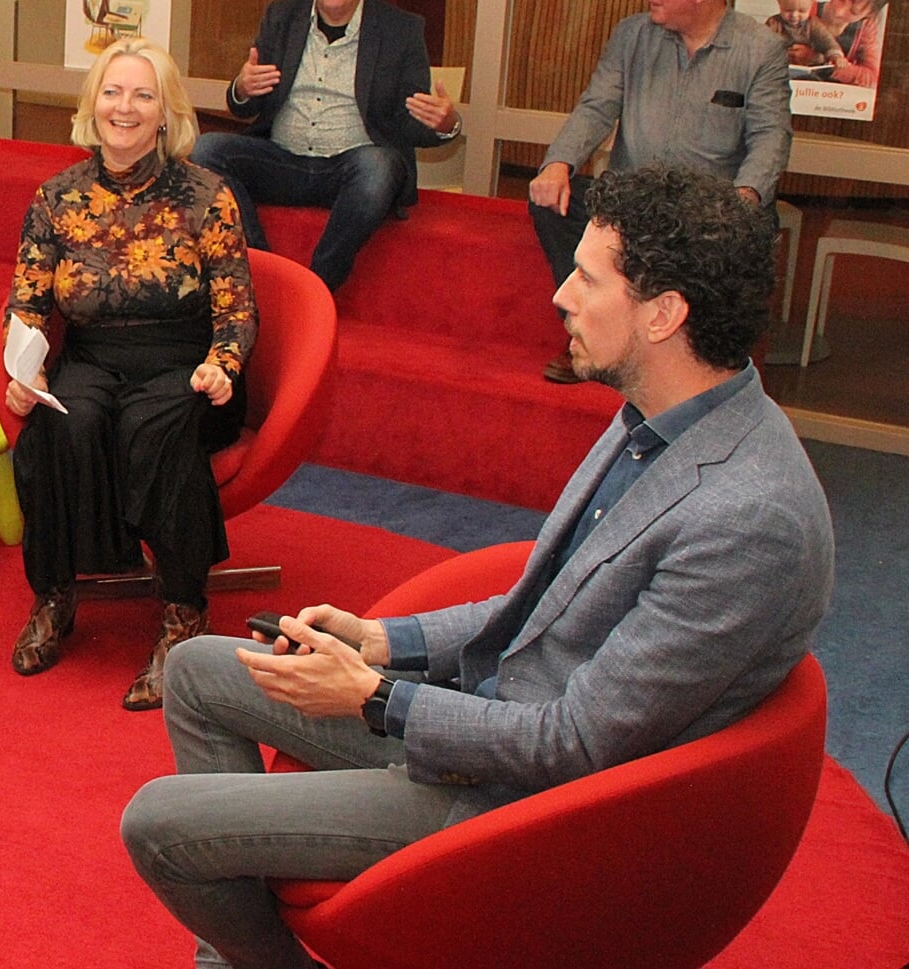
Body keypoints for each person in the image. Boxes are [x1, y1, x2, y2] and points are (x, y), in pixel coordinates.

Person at [121, 164, 833, 969]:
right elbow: (548, 605)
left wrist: (374, 696)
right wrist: (379, 640)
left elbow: (574, 745)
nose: (560, 294)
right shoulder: (660, 415)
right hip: (486, 721)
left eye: (587, 279)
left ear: (664, 314)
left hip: (523, 803)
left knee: (157, 820)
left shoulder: (747, 516)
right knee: (195, 671)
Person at [3, 36, 258, 711]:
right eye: (112, 92)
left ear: (164, 111)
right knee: (67, 421)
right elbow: (27, 305)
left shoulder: (208, 195)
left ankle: (182, 612)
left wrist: (222, 364)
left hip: (187, 365)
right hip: (93, 356)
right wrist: (20, 371)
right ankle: (55, 594)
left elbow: (236, 309)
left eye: (142, 94)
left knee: (155, 422)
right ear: (92, 105)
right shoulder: (55, 197)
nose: (125, 107)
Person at [528, 0, 791, 384]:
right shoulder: (632, 37)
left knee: (751, 227)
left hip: (711, 205)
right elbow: (597, 106)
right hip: (635, 198)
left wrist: (744, 198)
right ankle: (588, 335)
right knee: (552, 203)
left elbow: (771, 137)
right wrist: (558, 162)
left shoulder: (759, 49)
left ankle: (703, 361)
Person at [190, 0, 460, 290]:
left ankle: (315, 286)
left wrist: (445, 124)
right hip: (282, 161)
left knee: (381, 166)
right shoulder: (282, 17)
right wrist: (242, 87)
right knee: (206, 149)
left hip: (352, 169)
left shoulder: (401, 30)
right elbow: (243, 107)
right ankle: (263, 272)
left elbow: (409, 121)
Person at [817, 0, 890, 89]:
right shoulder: (803, 11)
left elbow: (872, 77)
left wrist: (824, 62)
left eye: (854, 12)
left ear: (868, 15)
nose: (839, 12)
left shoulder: (865, 28)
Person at [763, 0, 845, 69]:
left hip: (806, 70)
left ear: (812, 5)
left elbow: (827, 42)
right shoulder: (774, 23)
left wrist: (836, 56)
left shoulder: (813, 24)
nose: (794, 15)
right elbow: (761, 44)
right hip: (778, 69)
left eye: (802, 11)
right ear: (779, 2)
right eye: (788, 10)